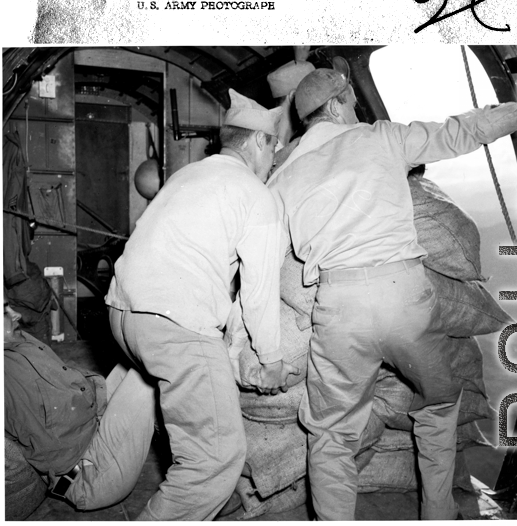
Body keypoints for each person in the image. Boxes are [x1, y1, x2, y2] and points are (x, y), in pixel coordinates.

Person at [267, 63, 517, 521]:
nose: (356, 109)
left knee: (332, 434)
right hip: (406, 297)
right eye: (352, 102)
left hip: (339, 305)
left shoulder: (284, 174)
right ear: (336, 105)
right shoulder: (378, 137)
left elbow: (262, 256)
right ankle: (438, 513)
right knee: (438, 404)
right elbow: (460, 132)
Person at [105, 90, 298, 521]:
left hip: (122, 314)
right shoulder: (255, 195)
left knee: (155, 390)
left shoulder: (188, 175)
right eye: (274, 147)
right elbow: (259, 291)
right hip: (173, 326)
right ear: (255, 143)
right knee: (216, 457)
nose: (275, 158)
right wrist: (269, 360)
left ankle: (100, 478)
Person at [4, 295, 156, 511]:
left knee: (139, 360)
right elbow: (52, 446)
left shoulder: (19, 342)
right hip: (88, 476)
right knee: (150, 375)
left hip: (92, 434)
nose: (15, 314)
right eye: (4, 312)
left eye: (9, 306)